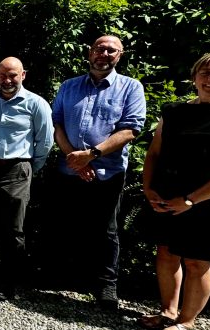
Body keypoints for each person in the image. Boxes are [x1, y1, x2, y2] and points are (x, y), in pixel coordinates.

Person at [140, 52, 210, 330]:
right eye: (205, 72)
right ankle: (168, 312)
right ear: (194, 77)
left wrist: (189, 200)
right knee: (166, 253)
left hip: (206, 200)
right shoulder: (174, 111)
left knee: (197, 262)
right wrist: (148, 187)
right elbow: (154, 153)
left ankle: (187, 322)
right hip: (166, 194)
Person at [50, 35, 146, 310]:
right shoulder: (69, 86)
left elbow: (130, 130)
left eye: (111, 50)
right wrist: (74, 159)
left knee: (106, 230)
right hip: (70, 170)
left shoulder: (130, 88)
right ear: (90, 52)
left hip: (108, 172)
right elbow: (56, 125)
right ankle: (67, 276)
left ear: (120, 55)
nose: (104, 54)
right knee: (67, 223)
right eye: (99, 49)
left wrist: (91, 156)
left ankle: (106, 286)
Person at [0, 57, 53, 301]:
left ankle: (9, 282)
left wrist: (29, 169)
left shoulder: (36, 104)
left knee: (13, 228)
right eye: (3, 75)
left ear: (23, 75)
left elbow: (45, 141)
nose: (8, 80)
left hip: (17, 170)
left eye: (13, 75)